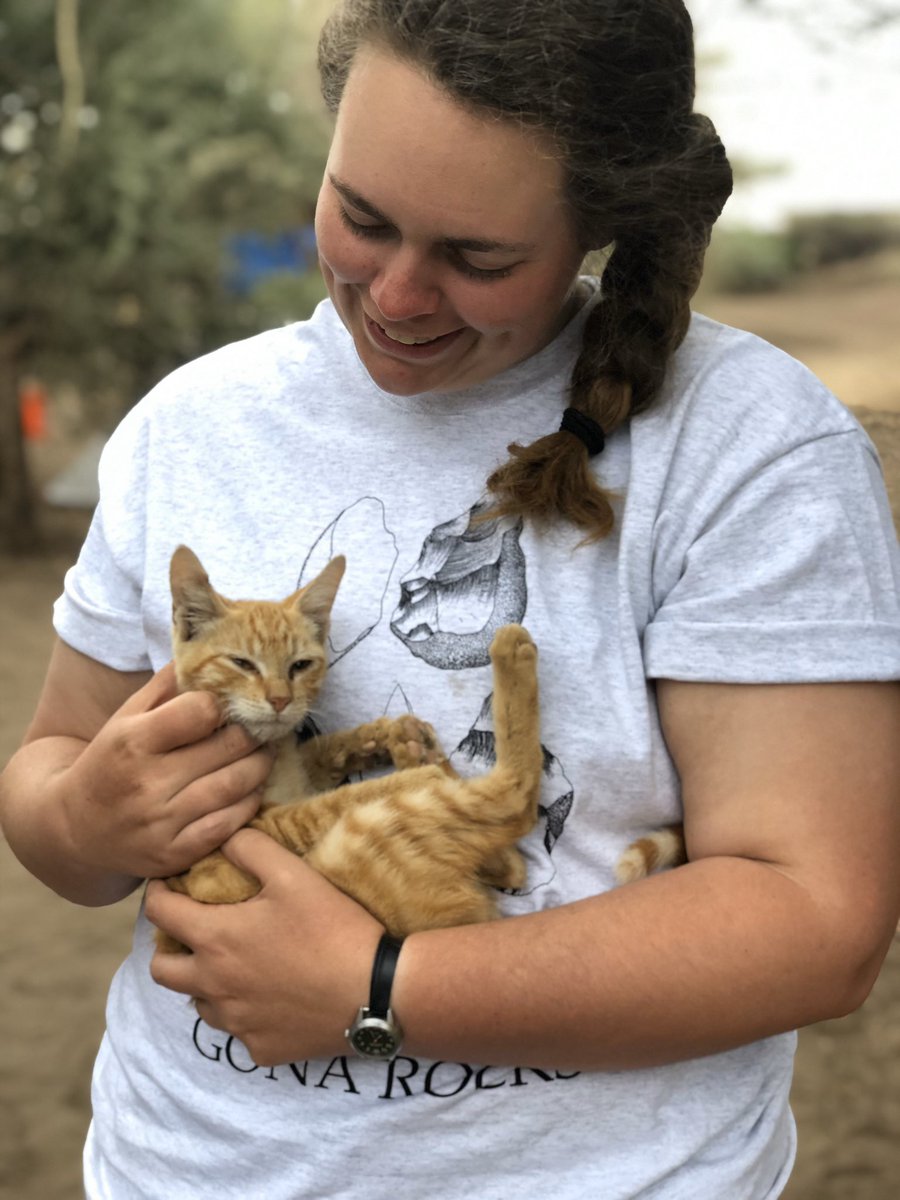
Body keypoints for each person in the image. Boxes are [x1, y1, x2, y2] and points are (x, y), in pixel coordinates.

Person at [1, 1, 898, 1196]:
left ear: (603, 227)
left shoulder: (752, 446)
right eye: (360, 217)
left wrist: (379, 991)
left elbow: (818, 922)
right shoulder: (190, 426)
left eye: (478, 258)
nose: (398, 294)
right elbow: (51, 774)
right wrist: (86, 819)